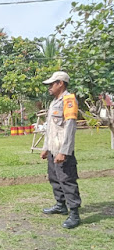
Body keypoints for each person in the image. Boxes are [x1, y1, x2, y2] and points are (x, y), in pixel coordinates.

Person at [40, 71, 81, 229]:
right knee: (54, 178)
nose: (49, 87)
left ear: (60, 83)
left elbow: (70, 128)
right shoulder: (53, 102)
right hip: (52, 149)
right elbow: (50, 129)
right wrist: (45, 148)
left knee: (67, 181)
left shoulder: (69, 100)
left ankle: (74, 214)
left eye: (52, 84)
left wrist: (64, 152)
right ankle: (60, 205)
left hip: (62, 151)